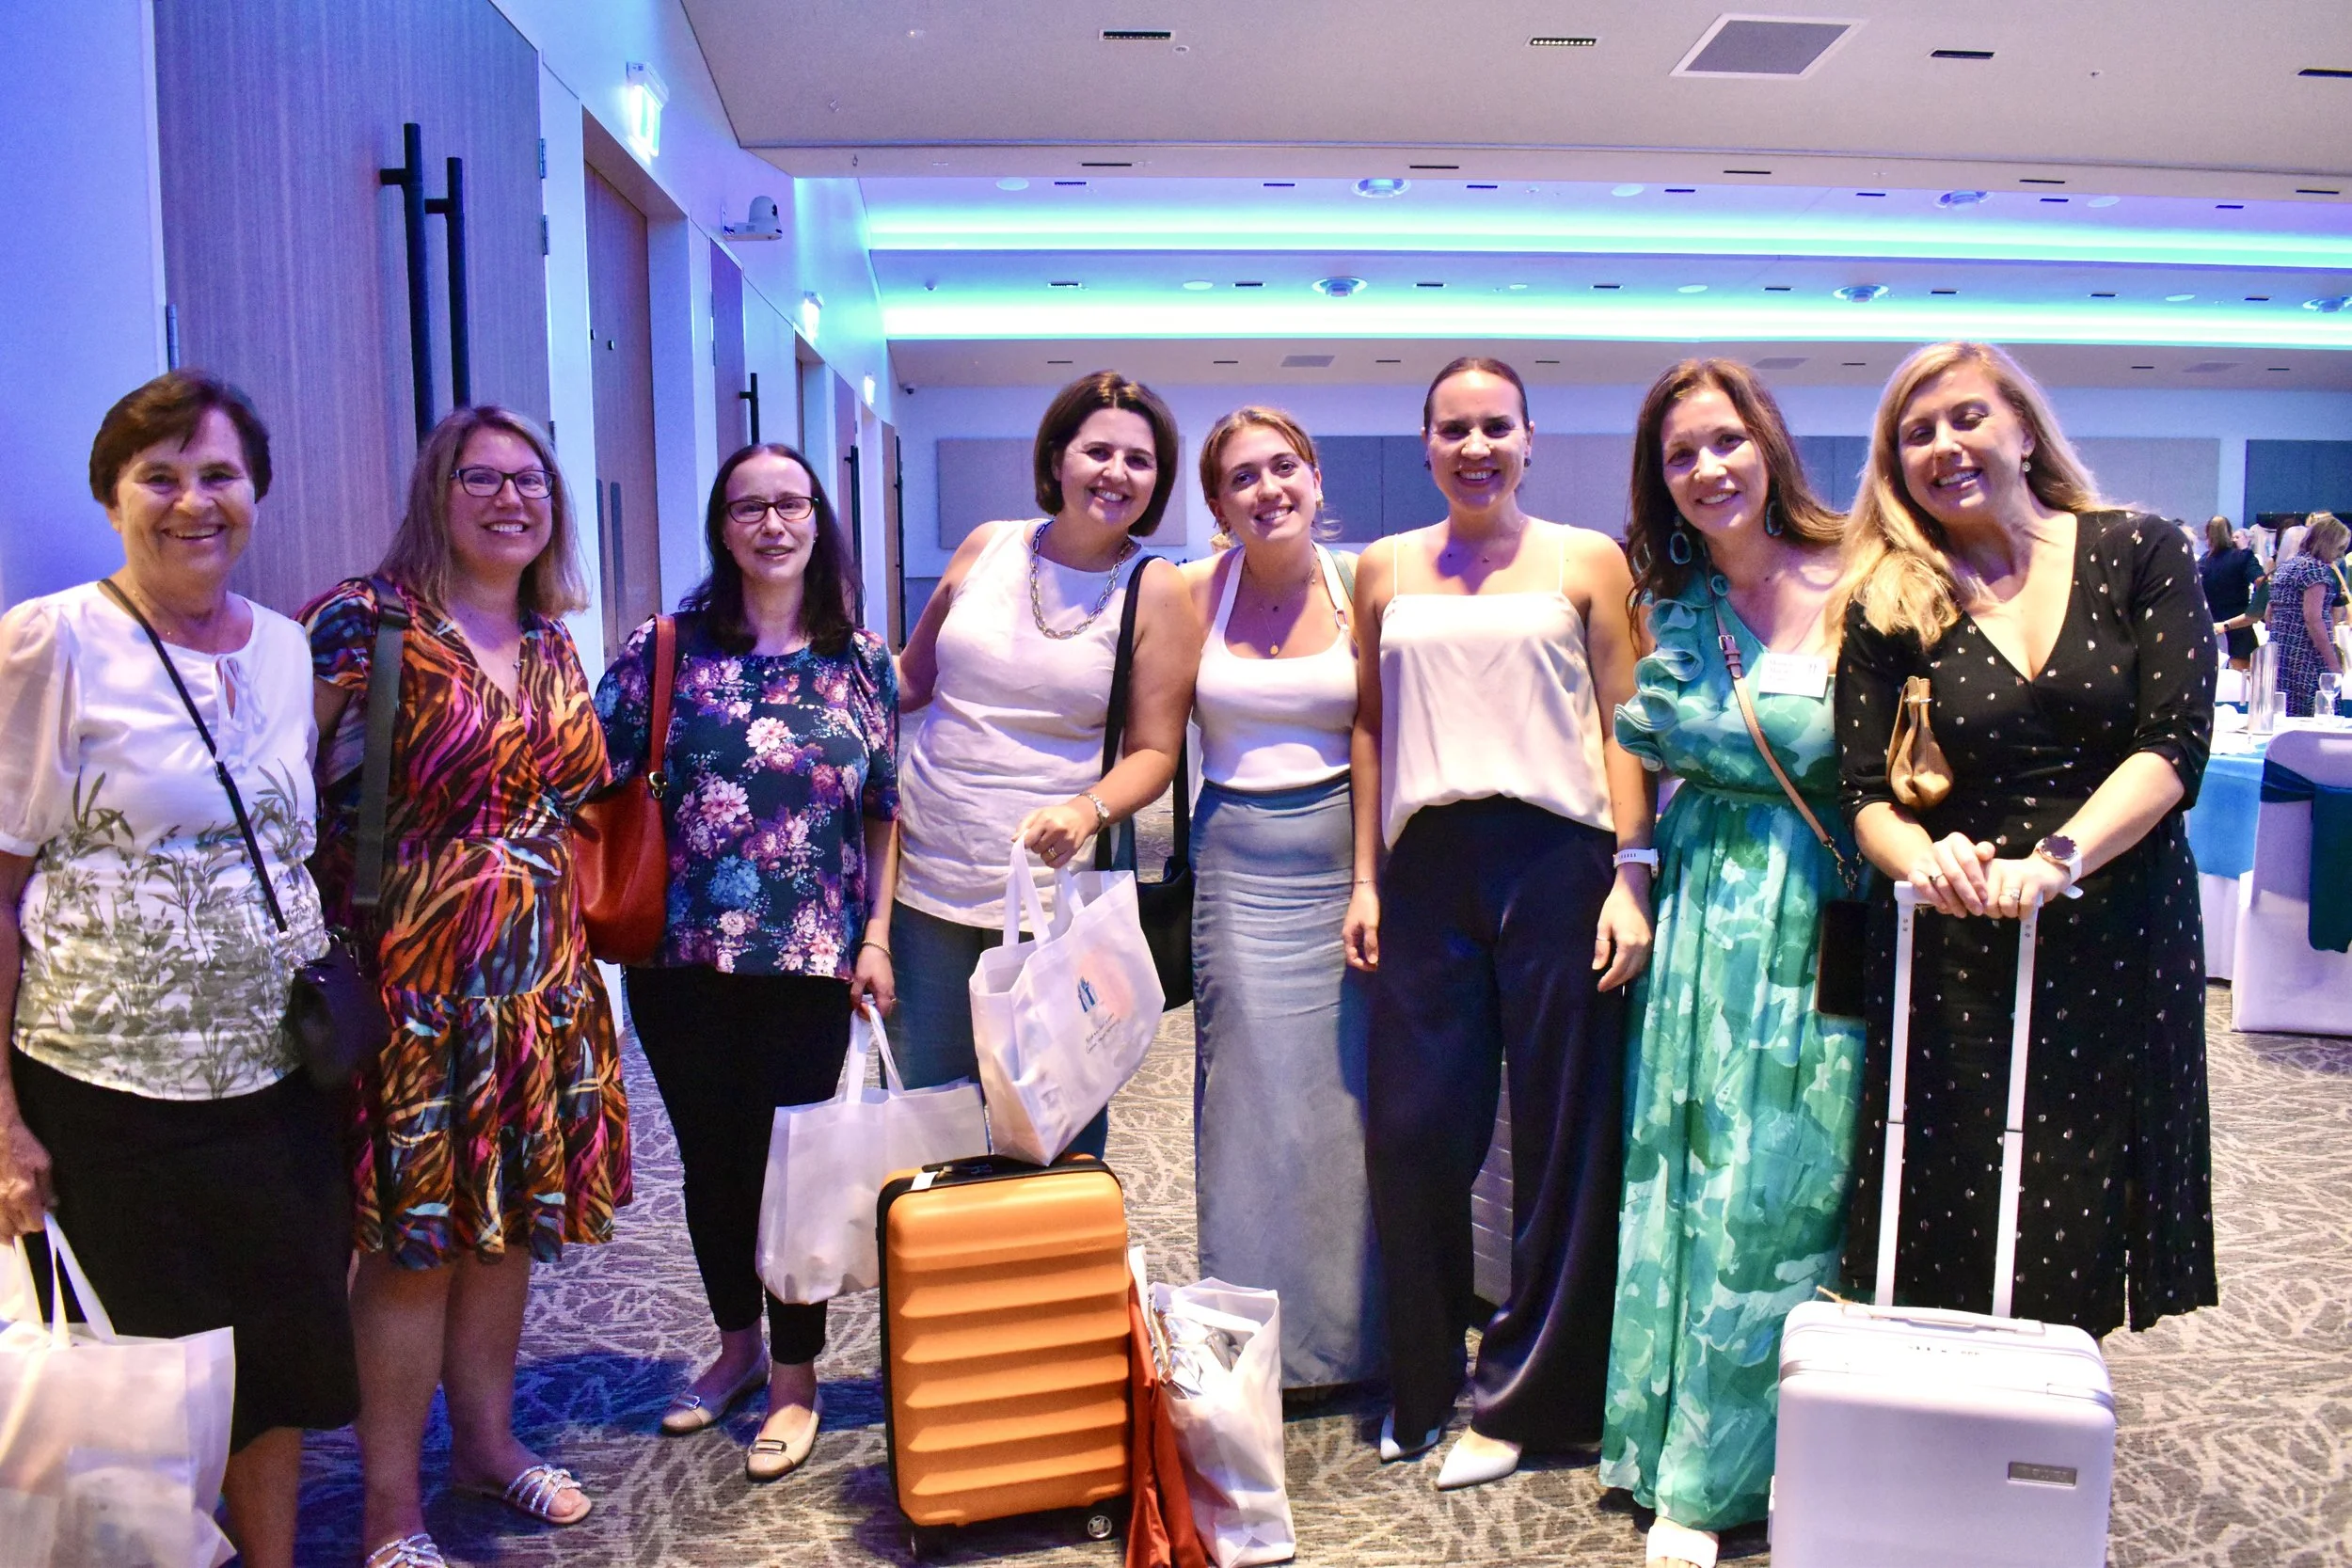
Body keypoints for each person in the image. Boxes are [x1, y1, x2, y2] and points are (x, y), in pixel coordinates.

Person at [0, 371, 358, 1568]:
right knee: (147, 1383)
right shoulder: (52, 640)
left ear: (256, 491)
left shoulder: (288, 648)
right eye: (159, 477)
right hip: (111, 1091)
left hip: (277, 1077)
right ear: (113, 497)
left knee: (274, 1357)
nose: (192, 501)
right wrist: (3, 1122)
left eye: (219, 475)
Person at [1831, 341, 2217, 1345]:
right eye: (1916, 434)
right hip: (1957, 935)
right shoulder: (1890, 597)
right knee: (1951, 1189)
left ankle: (2046, 1408)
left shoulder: (2137, 550)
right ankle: (1942, 1415)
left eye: (1967, 418)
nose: (1944, 446)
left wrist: (2057, 859)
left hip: (2115, 922)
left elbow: (2173, 745)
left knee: (2079, 1183)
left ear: (2025, 431)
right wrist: (1924, 858)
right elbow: (1865, 795)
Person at [305, 407, 630, 1568]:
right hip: (416, 985)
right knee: (415, 1244)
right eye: (481, 478)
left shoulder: (550, 638)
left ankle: (485, 1446)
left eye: (530, 481)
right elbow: (279, 785)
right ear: (434, 493)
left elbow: (577, 794)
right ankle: (389, 1505)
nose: (509, 499)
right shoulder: (365, 620)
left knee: (506, 1231)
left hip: (541, 980)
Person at [1344, 356, 1654, 1491]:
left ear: (1529, 439)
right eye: (1452, 428)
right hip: (1427, 864)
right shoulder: (1381, 567)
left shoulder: (1586, 559)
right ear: (1425, 443)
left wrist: (1632, 873)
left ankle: (1535, 1394)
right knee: (1414, 1129)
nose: (1474, 447)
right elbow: (1368, 727)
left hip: (1560, 857)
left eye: (1495, 427)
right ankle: (1423, 1379)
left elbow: (1626, 723)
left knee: (1562, 1134)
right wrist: (1366, 878)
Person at [1600, 360, 1863, 1568]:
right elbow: (1636, 746)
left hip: (1822, 909)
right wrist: (1631, 870)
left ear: (1768, 443)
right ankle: (1679, 1459)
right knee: (1688, 1166)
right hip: (1703, 910)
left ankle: (1776, 1461)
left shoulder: (1862, 576)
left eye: (1724, 441)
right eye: (1679, 455)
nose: (1706, 469)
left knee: (1791, 1181)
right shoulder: (1671, 602)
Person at [595, 443, 898, 1481]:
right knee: (713, 1162)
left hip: (808, 960)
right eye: (748, 507)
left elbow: (882, 811)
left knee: (795, 1171)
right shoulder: (663, 649)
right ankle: (735, 1347)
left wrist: (875, 934)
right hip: (677, 956)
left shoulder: (861, 662)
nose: (772, 524)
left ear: (818, 520)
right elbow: (591, 779)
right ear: (722, 528)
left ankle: (795, 1376)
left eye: (791, 505)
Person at [890, 371, 1200, 1154]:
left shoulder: (1155, 588)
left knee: (1051, 1125)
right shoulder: (987, 546)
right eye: (1098, 451)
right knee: (931, 1116)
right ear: (1058, 456)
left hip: (1051, 897)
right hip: (927, 875)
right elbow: (910, 680)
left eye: (1139, 460)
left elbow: (1156, 751)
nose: (1116, 472)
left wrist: (1086, 809)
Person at [1178, 406, 1379, 1390]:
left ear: (1315, 474)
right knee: (1245, 1103)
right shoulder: (1191, 592)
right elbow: (1139, 726)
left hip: (1344, 858)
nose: (1269, 489)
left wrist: (1370, 878)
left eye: (1285, 466)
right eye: (1243, 477)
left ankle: (1355, 1345)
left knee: (1347, 1098)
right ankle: (1252, 1350)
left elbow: (1382, 730)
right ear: (1218, 504)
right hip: (1234, 861)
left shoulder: (1365, 582)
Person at [2265, 512, 2347, 715]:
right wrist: (2332, 662)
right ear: (2328, 543)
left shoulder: (2285, 568)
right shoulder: (2315, 571)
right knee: (2312, 715)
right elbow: (2313, 619)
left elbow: (2269, 615)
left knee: (2283, 713)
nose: (2340, 555)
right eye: (2340, 548)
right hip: (2307, 654)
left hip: (2280, 653)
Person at [2199, 515, 2265, 671]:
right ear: (2230, 533)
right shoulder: (2244, 557)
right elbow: (2261, 582)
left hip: (2209, 633)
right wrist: (2256, 609)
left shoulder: (2201, 563)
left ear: (2207, 535)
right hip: (2239, 632)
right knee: (2241, 683)